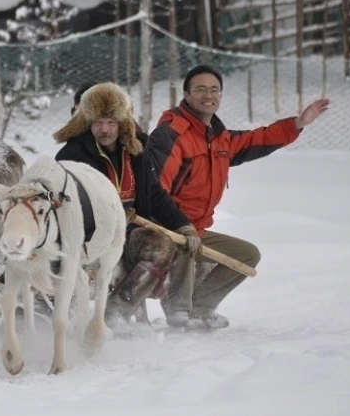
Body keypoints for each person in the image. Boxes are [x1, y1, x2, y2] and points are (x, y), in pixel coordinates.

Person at [146, 64, 331, 329]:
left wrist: (298, 124)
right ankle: (179, 311)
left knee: (247, 255)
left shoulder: (219, 139)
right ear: (186, 95)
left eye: (214, 90)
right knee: (188, 242)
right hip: (166, 229)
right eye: (200, 89)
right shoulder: (171, 135)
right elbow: (156, 190)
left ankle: (201, 307)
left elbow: (257, 139)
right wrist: (179, 226)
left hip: (196, 230)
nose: (208, 95)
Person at [53, 82, 201, 327]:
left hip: (129, 234)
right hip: (89, 237)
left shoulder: (135, 152)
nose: (105, 129)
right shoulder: (72, 155)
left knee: (161, 246)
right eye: (98, 122)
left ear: (122, 123)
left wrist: (183, 225)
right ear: (86, 122)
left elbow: (154, 194)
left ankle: (117, 313)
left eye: (111, 122)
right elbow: (68, 205)